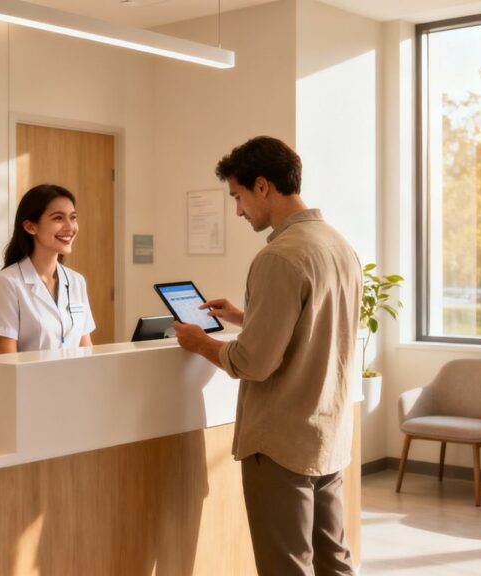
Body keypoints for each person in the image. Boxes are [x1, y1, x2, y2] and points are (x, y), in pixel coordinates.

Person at [173, 136, 362, 575]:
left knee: (286, 566)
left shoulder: (279, 256)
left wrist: (200, 342)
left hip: (280, 442)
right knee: (335, 559)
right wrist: (245, 317)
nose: (239, 210)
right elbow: (314, 324)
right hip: (326, 434)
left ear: (262, 187)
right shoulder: (338, 245)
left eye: (238, 197)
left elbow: (254, 363)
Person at [0, 184, 95, 353]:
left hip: (74, 378)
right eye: (58, 218)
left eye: (73, 218)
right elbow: (4, 363)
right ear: (30, 227)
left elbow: (86, 351)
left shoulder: (76, 281)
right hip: (28, 380)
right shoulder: (6, 283)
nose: (70, 227)